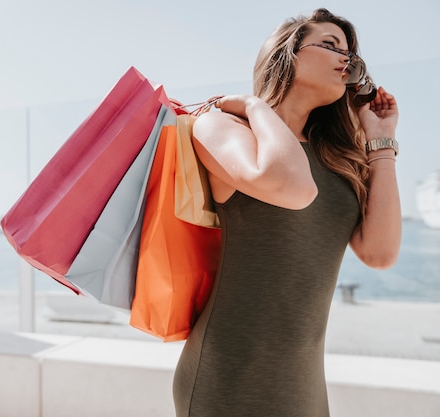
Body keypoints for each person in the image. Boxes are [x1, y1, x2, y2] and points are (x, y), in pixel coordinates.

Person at [172, 8, 401, 417]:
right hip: (230, 373)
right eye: (331, 45)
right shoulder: (222, 127)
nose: (345, 60)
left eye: (350, 54)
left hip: (305, 381)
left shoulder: (337, 159)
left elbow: (380, 253)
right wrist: (255, 106)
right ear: (288, 53)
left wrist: (381, 142)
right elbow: (291, 188)